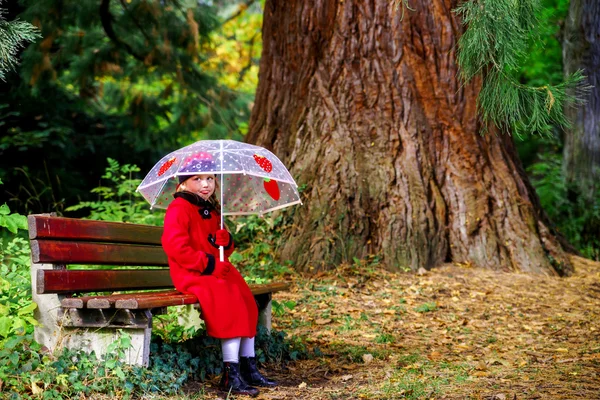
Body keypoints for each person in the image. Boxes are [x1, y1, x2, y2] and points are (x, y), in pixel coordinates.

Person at [161, 155, 276, 397]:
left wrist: (226, 240)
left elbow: (223, 246)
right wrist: (209, 264)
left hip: (216, 270)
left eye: (210, 179)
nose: (206, 184)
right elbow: (176, 247)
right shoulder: (179, 208)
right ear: (182, 183)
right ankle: (230, 375)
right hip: (193, 273)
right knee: (230, 303)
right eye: (198, 179)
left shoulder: (210, 209)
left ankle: (249, 367)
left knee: (247, 301)